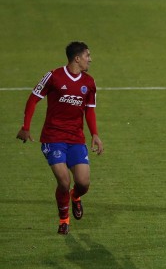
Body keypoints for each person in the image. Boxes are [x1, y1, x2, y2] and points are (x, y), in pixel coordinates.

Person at [16, 42, 104, 235]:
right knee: (63, 181)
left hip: (76, 138)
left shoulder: (89, 82)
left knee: (83, 183)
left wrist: (95, 134)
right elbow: (33, 98)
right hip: (53, 137)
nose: (90, 59)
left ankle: (75, 197)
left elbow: (89, 110)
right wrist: (26, 127)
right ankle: (64, 219)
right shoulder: (54, 76)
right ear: (77, 58)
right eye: (87, 55)